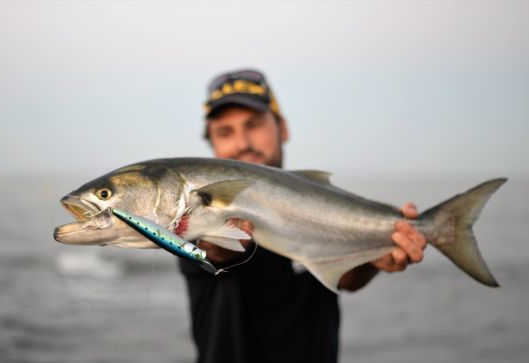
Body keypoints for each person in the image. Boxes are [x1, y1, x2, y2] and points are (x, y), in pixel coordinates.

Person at [179, 69, 427, 363]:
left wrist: (376, 254)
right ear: (212, 145)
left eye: (254, 124)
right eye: (225, 132)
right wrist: (220, 245)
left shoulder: (321, 207)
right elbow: (210, 253)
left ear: (282, 128)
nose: (242, 142)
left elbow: (346, 278)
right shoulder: (194, 218)